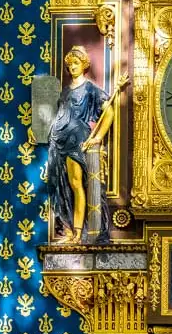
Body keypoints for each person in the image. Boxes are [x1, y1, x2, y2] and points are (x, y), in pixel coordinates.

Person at [47, 46, 128, 244]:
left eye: (76, 63)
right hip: (60, 141)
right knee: (64, 186)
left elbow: (109, 112)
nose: (72, 67)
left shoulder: (90, 88)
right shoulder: (66, 91)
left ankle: (77, 232)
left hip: (77, 140)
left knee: (76, 184)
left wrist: (98, 137)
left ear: (84, 65)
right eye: (70, 64)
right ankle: (69, 229)